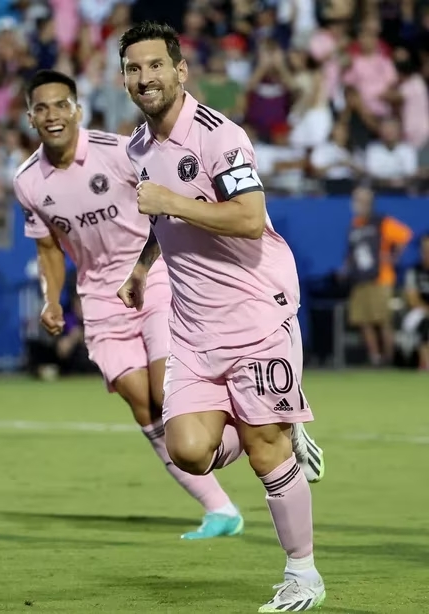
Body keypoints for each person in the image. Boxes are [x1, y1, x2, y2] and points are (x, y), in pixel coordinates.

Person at [117, 22, 327, 611]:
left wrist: (171, 201)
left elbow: (249, 219)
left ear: (180, 71)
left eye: (156, 65)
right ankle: (280, 422)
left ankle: (303, 575)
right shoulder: (138, 147)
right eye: (133, 68)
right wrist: (141, 267)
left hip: (255, 311)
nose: (145, 78)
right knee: (187, 449)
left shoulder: (219, 136)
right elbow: (165, 223)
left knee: (263, 449)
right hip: (193, 326)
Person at [14, 69, 244, 540]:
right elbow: (48, 248)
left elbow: (165, 205)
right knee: (145, 408)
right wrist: (51, 299)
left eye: (61, 105)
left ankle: (260, 424)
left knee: (167, 395)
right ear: (30, 117)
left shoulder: (119, 151)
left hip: (151, 275)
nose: (53, 115)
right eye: (42, 107)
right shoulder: (27, 181)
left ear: (77, 109)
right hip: (99, 302)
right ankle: (221, 509)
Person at [342, 185, 412, 366]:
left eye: (359, 200)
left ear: (369, 202)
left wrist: (392, 256)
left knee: (382, 320)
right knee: (363, 320)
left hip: (381, 278)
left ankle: (389, 359)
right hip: (360, 279)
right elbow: (352, 251)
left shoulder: (381, 222)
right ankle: (375, 358)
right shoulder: (355, 225)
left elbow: (404, 235)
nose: (356, 204)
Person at [401, 233, 429, 371]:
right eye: (425, 249)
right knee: (423, 325)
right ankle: (425, 364)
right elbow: (412, 298)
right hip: (420, 311)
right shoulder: (414, 271)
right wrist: (426, 309)